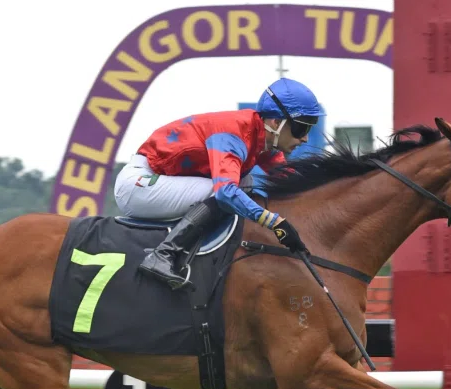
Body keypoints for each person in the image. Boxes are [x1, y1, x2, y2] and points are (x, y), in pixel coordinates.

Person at [114, 77, 324, 290]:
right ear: (275, 123)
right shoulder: (233, 134)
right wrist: (274, 222)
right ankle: (163, 254)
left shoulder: (261, 138)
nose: (305, 139)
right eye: (301, 128)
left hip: (162, 180)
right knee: (224, 191)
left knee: (247, 184)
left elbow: (291, 181)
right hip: (137, 183)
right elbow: (225, 193)